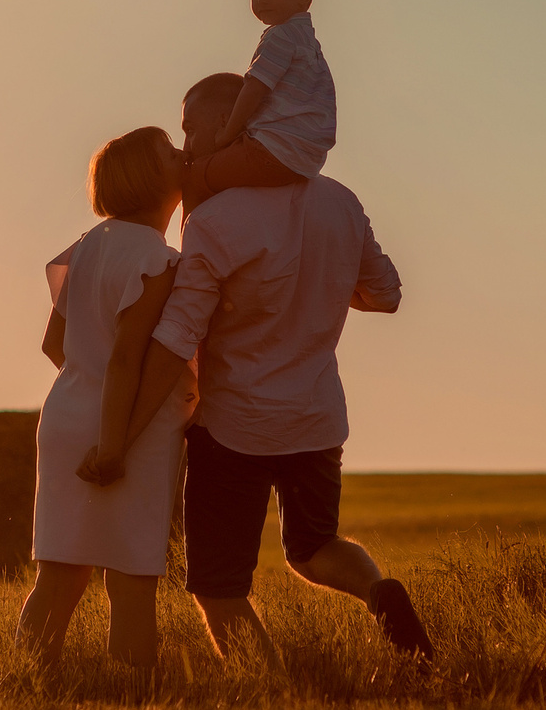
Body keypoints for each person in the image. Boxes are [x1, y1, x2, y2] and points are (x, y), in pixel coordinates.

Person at [126, 72, 433, 667]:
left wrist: (128, 424)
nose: (186, 143)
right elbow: (386, 293)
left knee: (218, 586)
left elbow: (180, 333)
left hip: (230, 428)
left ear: (226, 123)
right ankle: (378, 590)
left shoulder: (214, 221)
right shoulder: (340, 200)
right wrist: (315, 285)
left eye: (190, 127)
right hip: (316, 417)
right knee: (315, 548)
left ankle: (270, 689)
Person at [19, 125, 197, 676]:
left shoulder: (87, 245)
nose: (183, 155)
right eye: (170, 152)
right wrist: (115, 441)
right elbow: (127, 358)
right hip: (126, 434)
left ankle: (29, 678)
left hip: (66, 413)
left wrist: (85, 382)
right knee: (131, 576)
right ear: (150, 178)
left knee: (59, 573)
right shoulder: (157, 257)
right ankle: (134, 691)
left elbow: (54, 343)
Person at [182, 0, 334, 210]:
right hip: (306, 160)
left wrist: (228, 134)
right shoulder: (310, 45)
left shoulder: (280, 36)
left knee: (194, 176)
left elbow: (254, 87)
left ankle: (190, 247)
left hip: (272, 150)